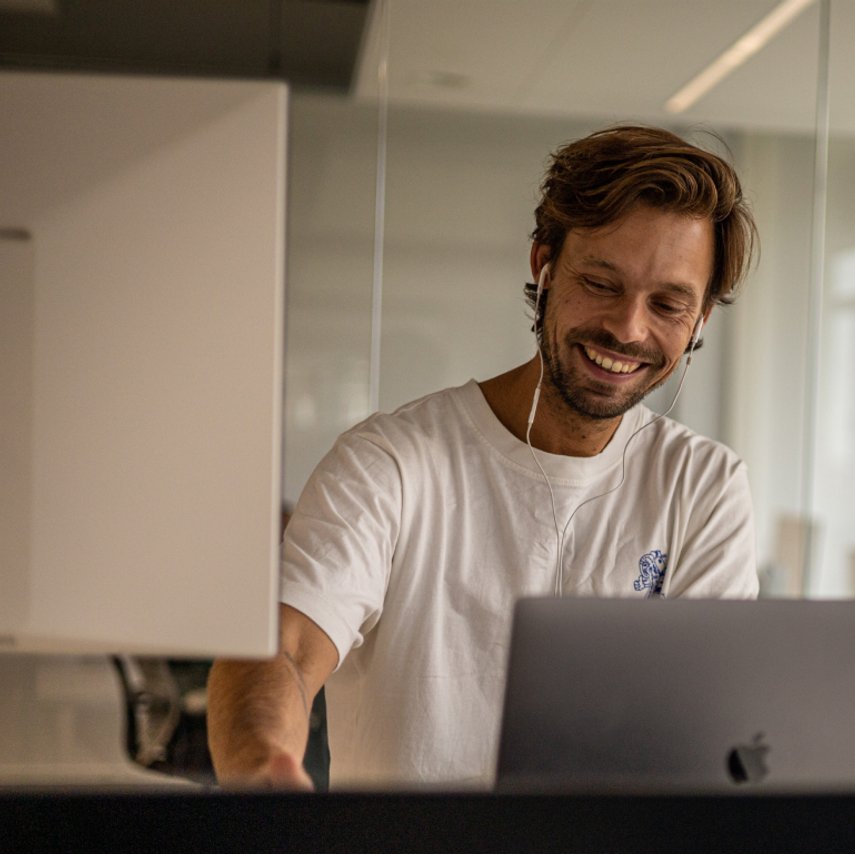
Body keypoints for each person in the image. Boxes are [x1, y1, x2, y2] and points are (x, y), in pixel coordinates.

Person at [208, 125, 761, 789]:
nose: (628, 328)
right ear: (543, 264)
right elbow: (287, 649)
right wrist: (261, 764)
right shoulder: (392, 463)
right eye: (600, 282)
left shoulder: (704, 486)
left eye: (668, 303)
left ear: (700, 320)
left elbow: (711, 727)